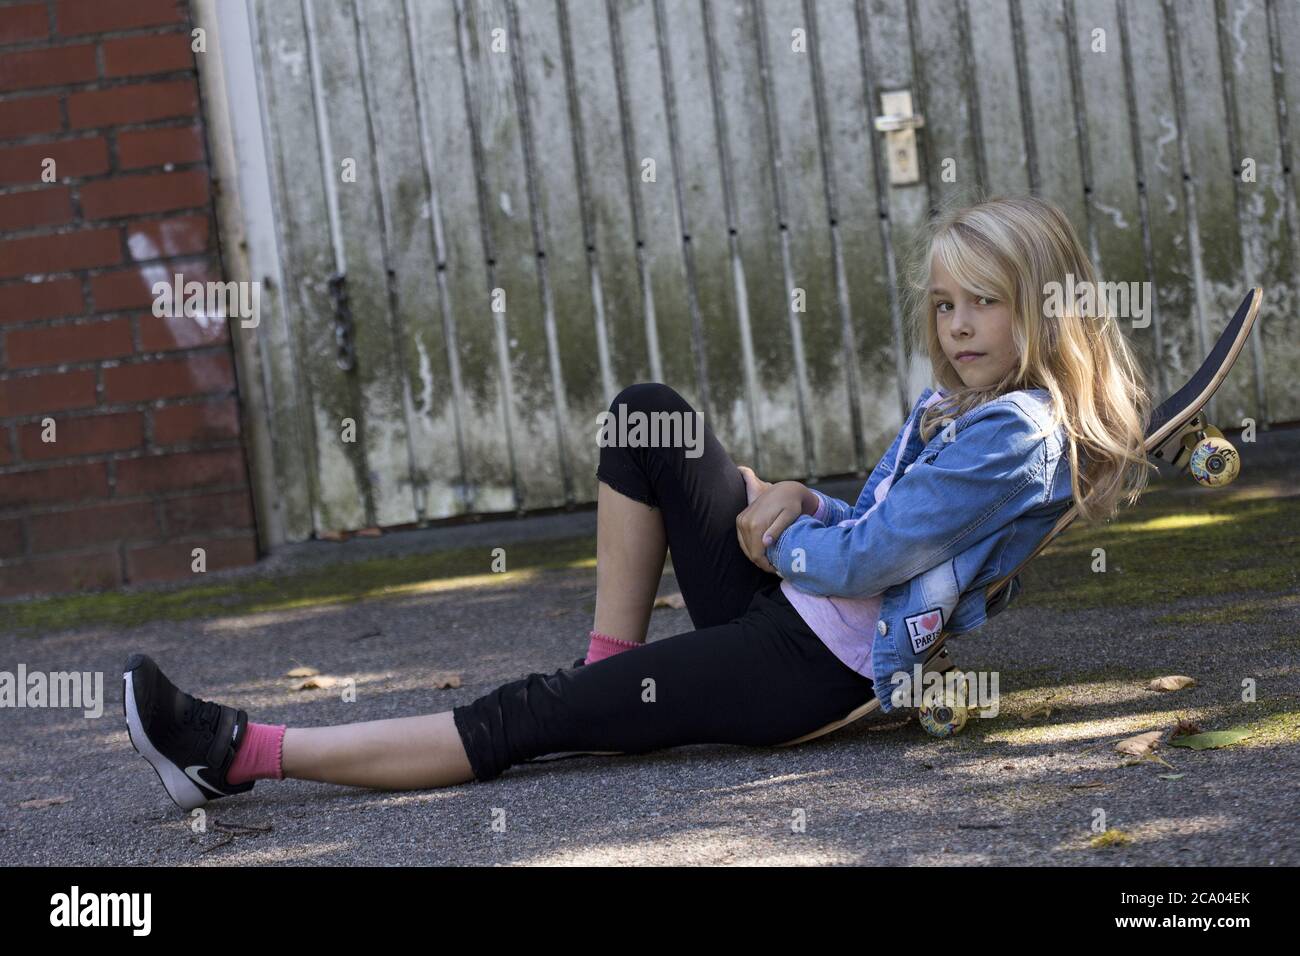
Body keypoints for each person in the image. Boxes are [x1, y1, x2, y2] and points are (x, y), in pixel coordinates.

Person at [123, 194, 1154, 810]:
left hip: (806, 667)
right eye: (944, 301)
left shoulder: (1012, 433)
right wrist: (794, 499)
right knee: (648, 415)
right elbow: (884, 526)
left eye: (985, 302)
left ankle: (234, 753)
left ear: (1046, 310)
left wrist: (781, 535)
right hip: (793, 604)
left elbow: (862, 567)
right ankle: (615, 672)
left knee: (525, 714)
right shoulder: (967, 405)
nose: (959, 324)